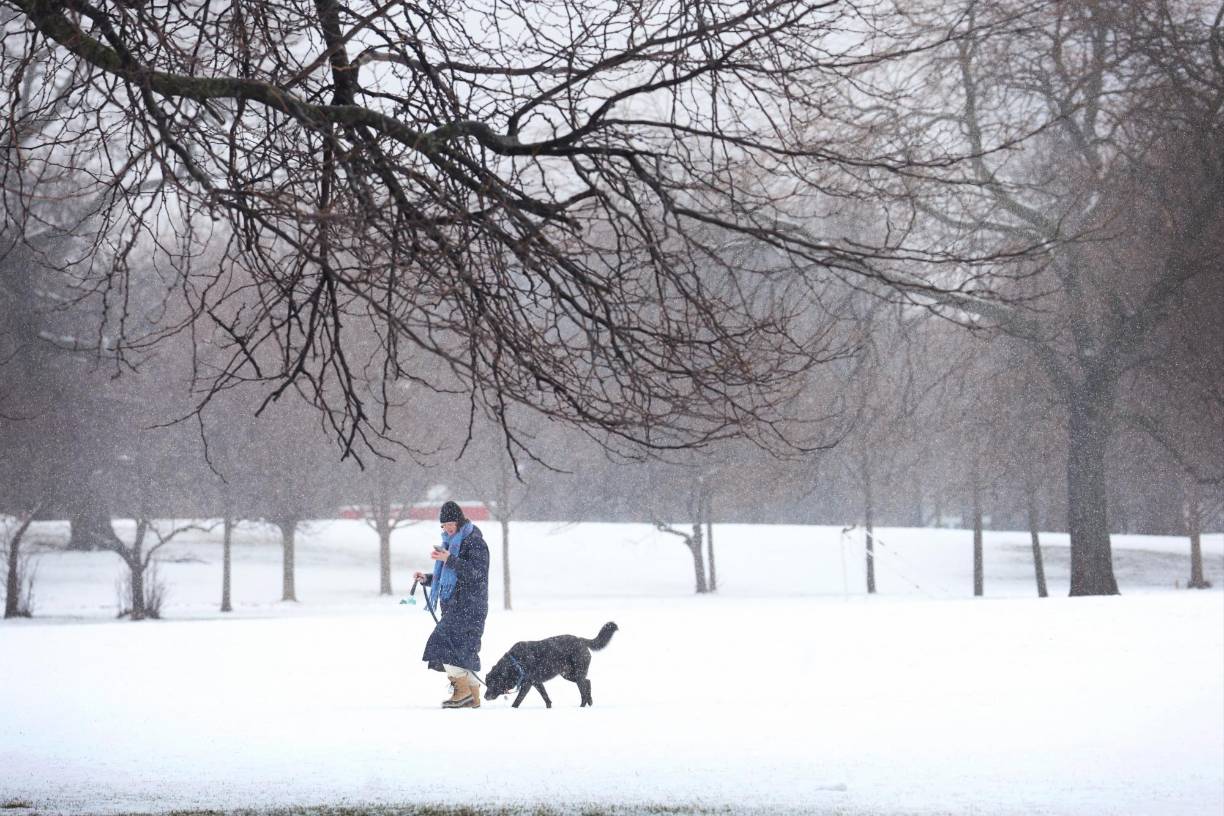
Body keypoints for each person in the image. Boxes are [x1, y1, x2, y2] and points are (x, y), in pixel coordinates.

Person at [414, 500, 489, 709]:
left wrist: (450, 559)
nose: (447, 528)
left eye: (450, 524)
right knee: (463, 652)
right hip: (456, 607)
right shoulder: (450, 543)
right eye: (444, 525)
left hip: (469, 607)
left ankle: (462, 692)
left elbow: (477, 574)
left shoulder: (474, 542)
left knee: (442, 644)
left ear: (459, 521)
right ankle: (472, 696)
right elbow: (450, 578)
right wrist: (427, 579)